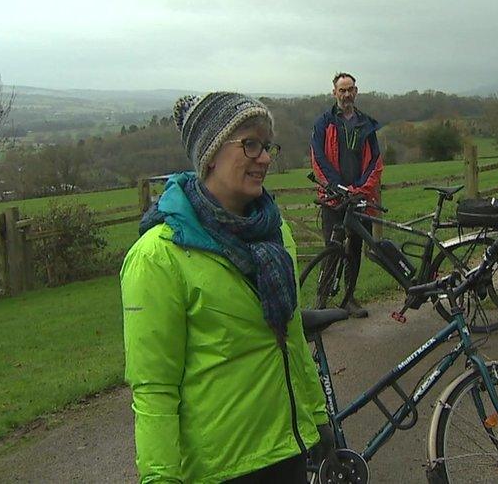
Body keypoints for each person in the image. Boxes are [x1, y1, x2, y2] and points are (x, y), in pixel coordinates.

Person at [121, 92, 336, 483]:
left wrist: (319, 419)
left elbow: (291, 338)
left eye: (266, 145)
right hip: (220, 469)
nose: (265, 157)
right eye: (250, 144)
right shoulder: (159, 256)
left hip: (287, 451)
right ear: (210, 154)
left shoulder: (274, 233)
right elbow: (154, 389)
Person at [309, 72, 383, 318]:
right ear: (334, 93)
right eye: (342, 90)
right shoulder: (324, 123)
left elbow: (375, 161)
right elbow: (318, 158)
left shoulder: (366, 125)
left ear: (356, 91)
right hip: (334, 197)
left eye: (350, 89)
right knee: (332, 247)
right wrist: (336, 186)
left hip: (359, 197)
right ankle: (321, 301)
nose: (346, 94)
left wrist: (359, 189)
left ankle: (349, 298)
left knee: (355, 247)